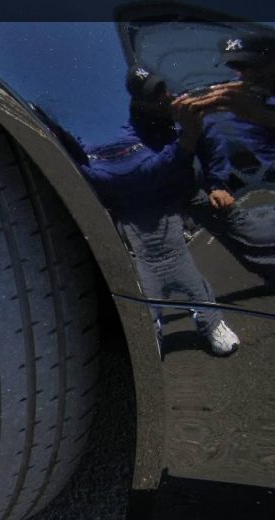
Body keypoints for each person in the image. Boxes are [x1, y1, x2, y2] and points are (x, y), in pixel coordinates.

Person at [81, 65, 240, 356]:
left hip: (181, 195)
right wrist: (185, 143)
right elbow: (128, 171)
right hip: (139, 212)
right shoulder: (123, 130)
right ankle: (149, 335)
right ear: (136, 101)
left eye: (161, 88)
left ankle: (211, 323)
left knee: (190, 277)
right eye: (152, 95)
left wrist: (218, 183)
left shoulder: (181, 106)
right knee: (148, 290)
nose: (162, 97)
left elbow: (211, 140)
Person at [172, 34, 275, 286]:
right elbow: (208, 155)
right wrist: (188, 134)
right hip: (245, 206)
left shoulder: (253, 104)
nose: (246, 75)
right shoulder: (225, 108)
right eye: (238, 68)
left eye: (254, 66)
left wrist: (264, 115)